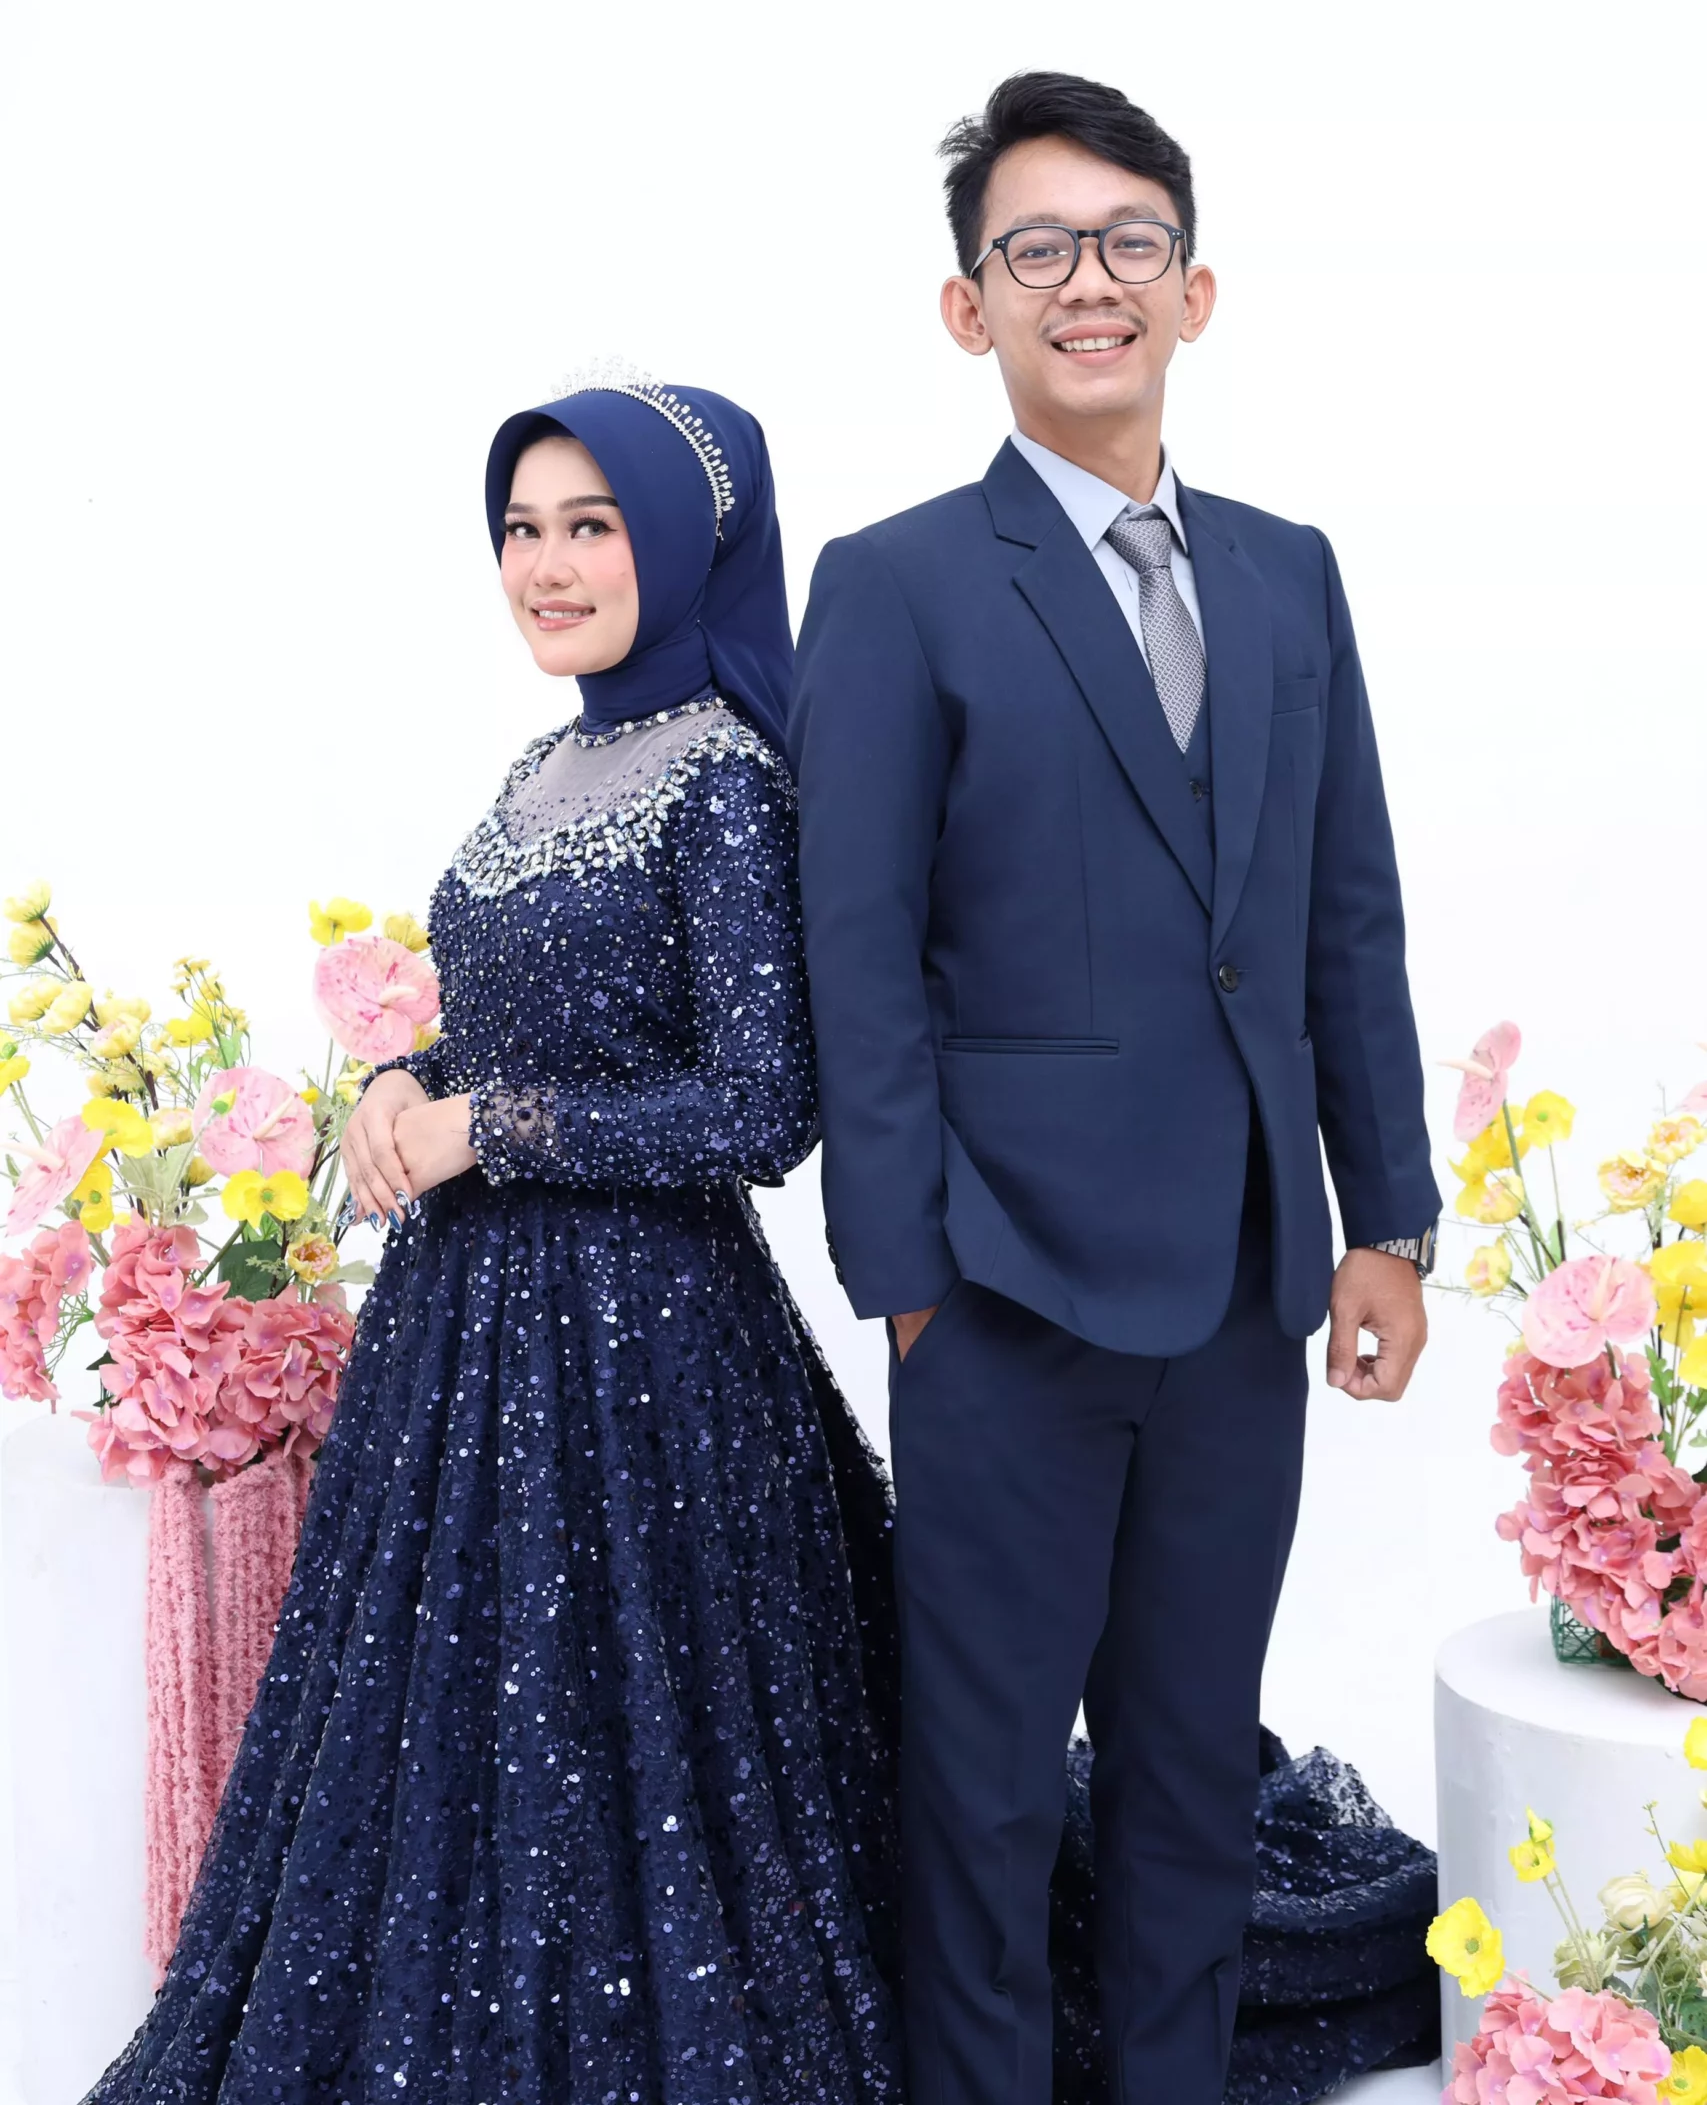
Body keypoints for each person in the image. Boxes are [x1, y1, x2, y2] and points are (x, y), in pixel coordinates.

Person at [87, 362, 1435, 2105]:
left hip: (646, 1352)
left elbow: (758, 1103)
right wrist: (409, 1078)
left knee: (698, 1755)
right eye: (521, 529)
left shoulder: (725, 776)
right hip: (480, 1358)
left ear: (682, 543)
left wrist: (488, 1128)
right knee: (513, 1753)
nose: (547, 565)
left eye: (593, 526)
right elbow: (535, 1020)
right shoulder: (548, 761)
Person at [788, 72, 1442, 2105]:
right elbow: (858, 954)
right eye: (1039, 248)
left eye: (1128, 242)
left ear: (1195, 288)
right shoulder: (896, 582)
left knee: (1189, 1770)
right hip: (1001, 1286)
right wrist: (906, 1276)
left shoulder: (1286, 573)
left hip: (1247, 1282)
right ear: (967, 306)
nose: (1091, 281)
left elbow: (1344, 916)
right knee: (984, 1797)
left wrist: (1386, 1216)